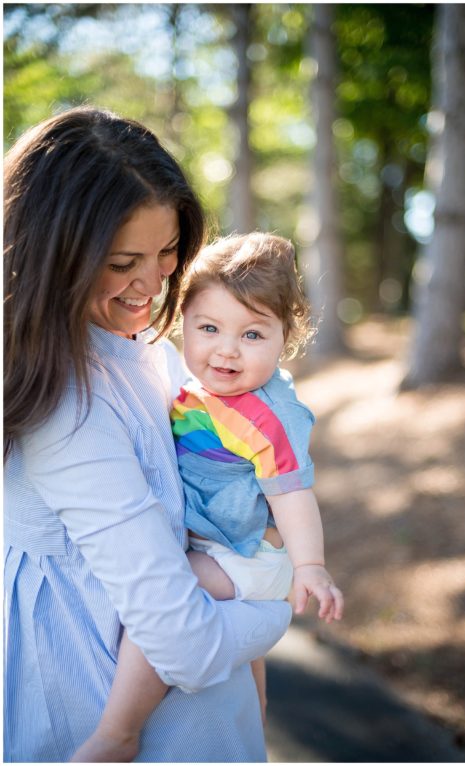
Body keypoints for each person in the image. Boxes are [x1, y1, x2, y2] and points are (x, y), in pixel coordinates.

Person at [3, 106, 291, 761]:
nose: (153, 282)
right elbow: (181, 641)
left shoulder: (151, 352)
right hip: (126, 721)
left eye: (167, 253)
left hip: (208, 710)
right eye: (123, 261)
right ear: (55, 255)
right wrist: (277, 601)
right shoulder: (65, 405)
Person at [70, 232, 345, 762]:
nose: (226, 349)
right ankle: (254, 721)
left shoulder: (266, 415)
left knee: (164, 595)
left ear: (285, 338)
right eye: (209, 328)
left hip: (247, 555)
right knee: (237, 667)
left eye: (253, 334)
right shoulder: (193, 385)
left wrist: (310, 566)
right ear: (182, 323)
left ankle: (120, 730)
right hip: (220, 541)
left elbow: (293, 495)